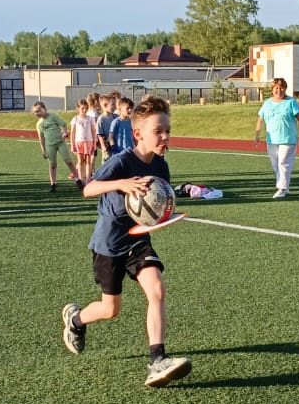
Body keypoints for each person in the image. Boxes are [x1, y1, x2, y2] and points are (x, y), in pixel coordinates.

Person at [60, 96, 191, 388]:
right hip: (109, 244)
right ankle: (76, 320)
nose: (165, 136)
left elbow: (157, 206)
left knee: (157, 290)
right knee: (110, 309)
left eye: (168, 130)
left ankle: (157, 361)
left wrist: (164, 217)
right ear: (138, 133)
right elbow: (89, 189)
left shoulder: (161, 166)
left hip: (138, 240)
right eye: (158, 131)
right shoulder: (121, 161)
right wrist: (122, 183)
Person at [254, 77, 299, 199]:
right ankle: (285, 186)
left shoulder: (291, 102)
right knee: (275, 164)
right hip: (272, 139)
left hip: (288, 138)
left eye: (281, 87)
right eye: (276, 88)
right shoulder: (267, 103)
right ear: (272, 89)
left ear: (285, 88)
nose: (279, 90)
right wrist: (257, 135)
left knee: (283, 162)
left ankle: (281, 188)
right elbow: (260, 119)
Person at [31, 100, 80, 191]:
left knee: (68, 161)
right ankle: (53, 184)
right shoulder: (39, 124)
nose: (37, 113)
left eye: (38, 111)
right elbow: (41, 138)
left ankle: (78, 179)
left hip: (60, 143)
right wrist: (43, 151)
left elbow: (64, 124)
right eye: (35, 112)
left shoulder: (53, 117)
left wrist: (65, 133)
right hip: (50, 146)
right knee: (52, 165)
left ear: (44, 109)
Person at [70, 97, 98, 183]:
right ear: (78, 108)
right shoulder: (75, 119)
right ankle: (81, 179)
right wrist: (72, 145)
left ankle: (88, 179)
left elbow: (93, 131)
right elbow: (72, 133)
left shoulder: (90, 119)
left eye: (86, 108)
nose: (84, 110)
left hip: (89, 142)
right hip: (79, 142)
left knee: (88, 161)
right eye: (82, 108)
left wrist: (94, 144)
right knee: (80, 161)